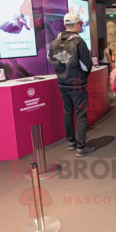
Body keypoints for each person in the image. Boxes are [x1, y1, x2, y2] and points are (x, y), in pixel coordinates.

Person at [47, 13, 95, 158]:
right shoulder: (79, 42)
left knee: (68, 112)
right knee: (80, 114)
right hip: (77, 84)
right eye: (80, 24)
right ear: (76, 25)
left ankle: (71, 142)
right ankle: (81, 147)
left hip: (62, 83)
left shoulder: (55, 42)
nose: (81, 26)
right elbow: (87, 66)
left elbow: (50, 59)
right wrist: (82, 77)